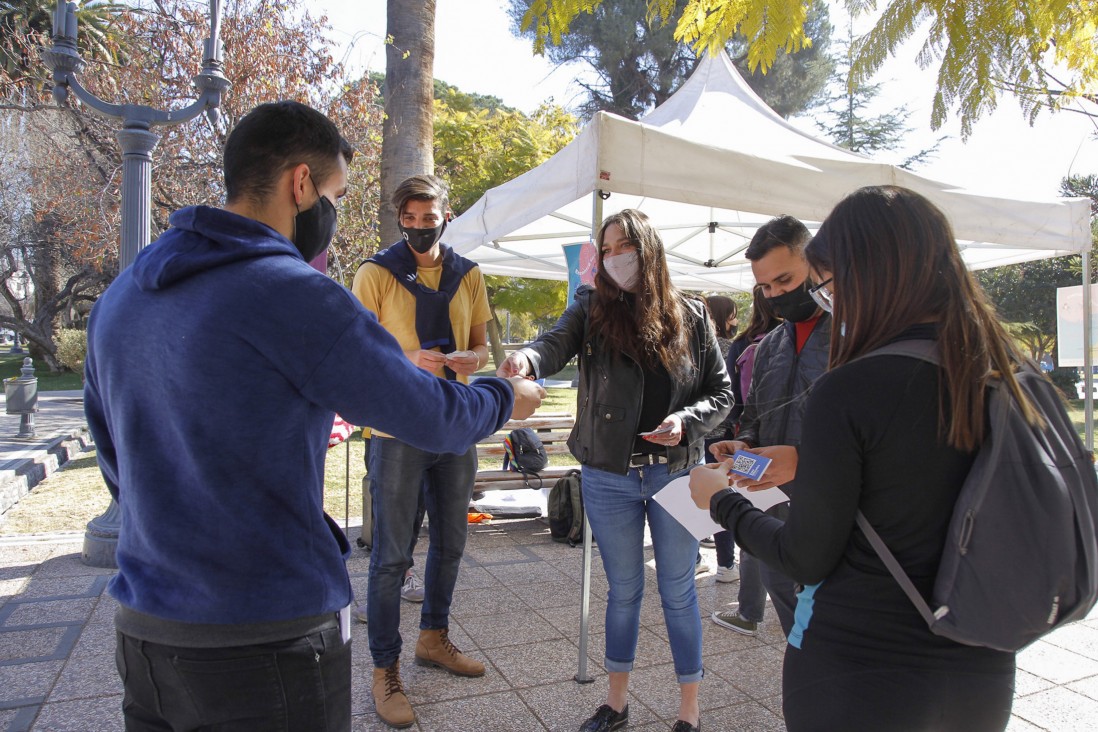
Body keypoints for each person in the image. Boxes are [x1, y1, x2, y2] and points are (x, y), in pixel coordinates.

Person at [83, 101, 545, 732]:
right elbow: (428, 414)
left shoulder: (124, 292)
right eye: (335, 194)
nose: (332, 213)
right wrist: (503, 398)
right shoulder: (289, 292)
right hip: (264, 634)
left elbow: (115, 463)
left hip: (145, 632)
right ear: (300, 183)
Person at [690, 185, 1020, 732]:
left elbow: (807, 555)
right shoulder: (1003, 370)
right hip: (979, 653)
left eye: (825, 281)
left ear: (866, 273)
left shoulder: (856, 378)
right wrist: (774, 456)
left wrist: (719, 500)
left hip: (862, 659)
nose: (822, 297)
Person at [498, 209, 732, 732]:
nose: (614, 257)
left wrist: (686, 420)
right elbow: (555, 341)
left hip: (675, 473)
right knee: (623, 589)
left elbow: (722, 394)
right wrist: (528, 360)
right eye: (606, 249)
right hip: (608, 474)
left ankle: (689, 711)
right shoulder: (591, 305)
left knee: (679, 589)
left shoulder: (690, 316)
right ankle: (617, 703)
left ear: (647, 250)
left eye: (624, 246)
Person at [351, 174, 493, 729]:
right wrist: (407, 359)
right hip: (397, 429)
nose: (417, 227)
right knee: (391, 557)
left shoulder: (469, 274)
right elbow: (356, 347)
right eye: (407, 219)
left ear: (445, 216)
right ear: (399, 219)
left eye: (426, 218)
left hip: (453, 425)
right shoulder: (375, 273)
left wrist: (470, 361)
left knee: (451, 545)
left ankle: (433, 638)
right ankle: (384, 669)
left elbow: (482, 346)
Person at [707, 215, 830, 638]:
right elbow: (755, 415)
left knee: (829, 617)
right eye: (765, 287)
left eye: (785, 280)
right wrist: (740, 443)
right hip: (772, 506)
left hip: (832, 504)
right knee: (783, 592)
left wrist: (805, 461)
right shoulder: (771, 345)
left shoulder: (858, 337)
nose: (776, 294)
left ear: (815, 265)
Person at [710, 285, 782, 634]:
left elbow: (737, 403)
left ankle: (750, 612)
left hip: (750, 447)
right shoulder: (801, 339)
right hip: (776, 448)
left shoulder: (744, 343)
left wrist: (737, 437)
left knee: (753, 520)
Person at [700, 295, 739, 583]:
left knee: (695, 496)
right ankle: (726, 563)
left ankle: (695, 558)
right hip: (722, 436)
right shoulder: (729, 348)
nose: (736, 321)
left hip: (691, 435)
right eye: (733, 315)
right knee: (721, 497)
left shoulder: (691, 349)